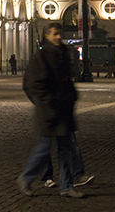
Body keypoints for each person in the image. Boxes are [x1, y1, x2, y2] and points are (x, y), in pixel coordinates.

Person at [17, 23, 84, 198]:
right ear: (46, 36)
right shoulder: (41, 56)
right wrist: (44, 102)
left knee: (66, 148)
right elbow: (31, 85)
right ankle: (26, 177)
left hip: (64, 109)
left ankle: (67, 186)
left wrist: (72, 96)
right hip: (49, 110)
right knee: (43, 148)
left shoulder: (63, 53)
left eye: (59, 34)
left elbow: (67, 80)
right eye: (54, 34)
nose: (57, 37)